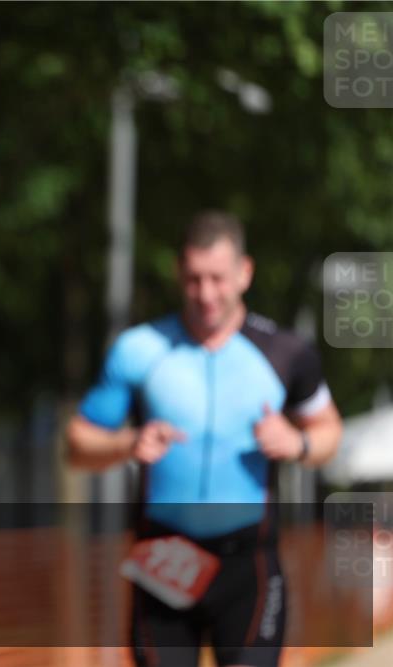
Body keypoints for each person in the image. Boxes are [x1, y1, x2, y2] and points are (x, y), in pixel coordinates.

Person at [66, 211, 342, 667]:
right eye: (194, 279)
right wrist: (127, 444)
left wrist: (298, 444)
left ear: (244, 273)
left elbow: (329, 431)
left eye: (218, 278)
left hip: (248, 563)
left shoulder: (286, 353)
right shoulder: (139, 349)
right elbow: (77, 445)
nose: (206, 294)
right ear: (179, 273)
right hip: (163, 559)